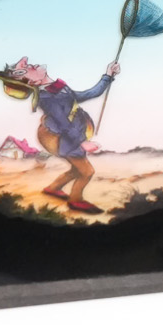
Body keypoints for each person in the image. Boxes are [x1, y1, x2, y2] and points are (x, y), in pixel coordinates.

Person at [11, 56, 121, 214]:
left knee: (77, 169)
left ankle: (53, 188)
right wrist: (82, 142)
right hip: (65, 139)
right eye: (25, 69)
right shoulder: (47, 97)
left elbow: (87, 94)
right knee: (87, 172)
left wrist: (108, 75)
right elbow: (63, 124)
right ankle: (76, 200)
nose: (30, 64)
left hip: (72, 135)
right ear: (33, 82)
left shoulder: (57, 89)